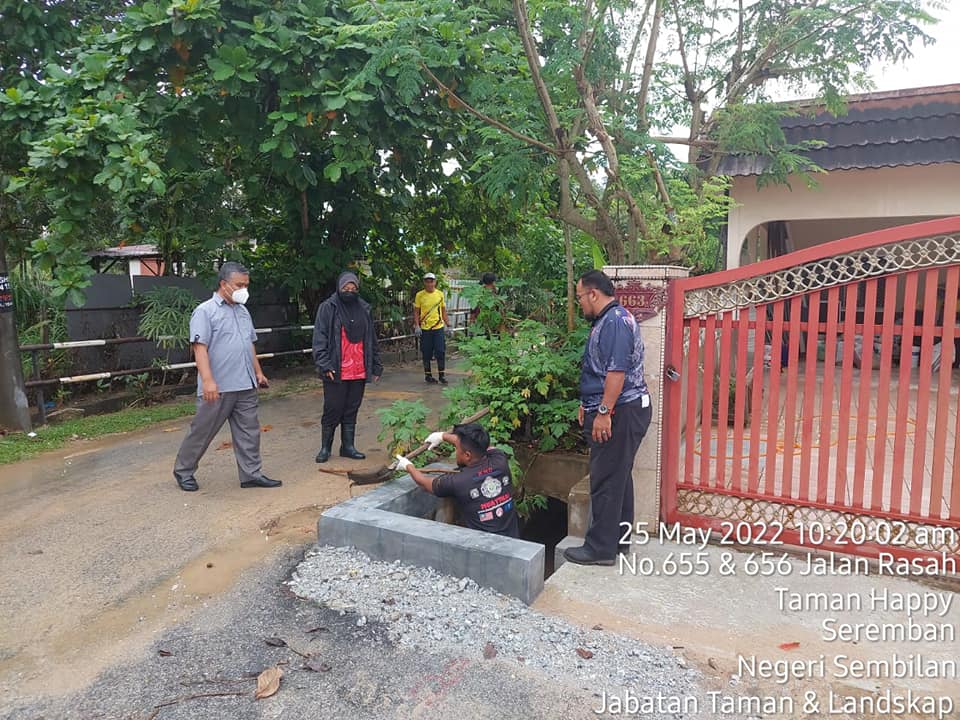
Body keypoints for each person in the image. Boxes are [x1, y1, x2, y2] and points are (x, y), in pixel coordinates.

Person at [563, 269, 652, 565]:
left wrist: (603, 412)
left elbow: (616, 372)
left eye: (580, 298)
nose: (580, 304)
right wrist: (587, 404)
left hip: (621, 410)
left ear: (593, 294)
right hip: (621, 408)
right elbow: (599, 371)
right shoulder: (611, 320)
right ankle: (619, 541)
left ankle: (600, 549)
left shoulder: (614, 322)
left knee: (605, 480)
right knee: (619, 477)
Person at [173, 262, 281, 492]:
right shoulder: (205, 311)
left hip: (245, 383)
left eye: (246, 284)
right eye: (239, 284)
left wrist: (258, 372)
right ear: (223, 284)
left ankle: (251, 474)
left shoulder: (243, 311)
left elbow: (249, 344)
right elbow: (199, 348)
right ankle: (184, 471)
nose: (244, 289)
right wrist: (208, 380)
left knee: (249, 432)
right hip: (218, 387)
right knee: (202, 431)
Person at [394, 423, 518, 538]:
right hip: (513, 540)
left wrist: (407, 466)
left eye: (457, 448)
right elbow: (482, 445)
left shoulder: (458, 482)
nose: (456, 450)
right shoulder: (499, 460)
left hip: (483, 548)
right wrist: (443, 436)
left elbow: (424, 483)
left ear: (467, 455)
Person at [312, 271, 383, 462]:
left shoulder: (364, 308)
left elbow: (372, 339)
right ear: (339, 287)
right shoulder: (328, 308)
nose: (349, 291)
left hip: (358, 369)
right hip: (336, 368)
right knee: (333, 408)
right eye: (346, 288)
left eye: (353, 288)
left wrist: (376, 365)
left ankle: (348, 446)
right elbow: (319, 339)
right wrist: (324, 363)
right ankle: (325, 448)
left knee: (352, 408)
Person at [413, 271, 451, 384]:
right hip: (425, 329)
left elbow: (443, 311)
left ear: (435, 282)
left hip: (438, 327)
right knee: (426, 353)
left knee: (440, 351)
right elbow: (416, 312)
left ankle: (442, 375)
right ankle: (428, 375)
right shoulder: (420, 295)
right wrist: (417, 326)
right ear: (424, 283)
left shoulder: (439, 294)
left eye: (432, 281)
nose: (430, 284)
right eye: (427, 281)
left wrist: (448, 325)